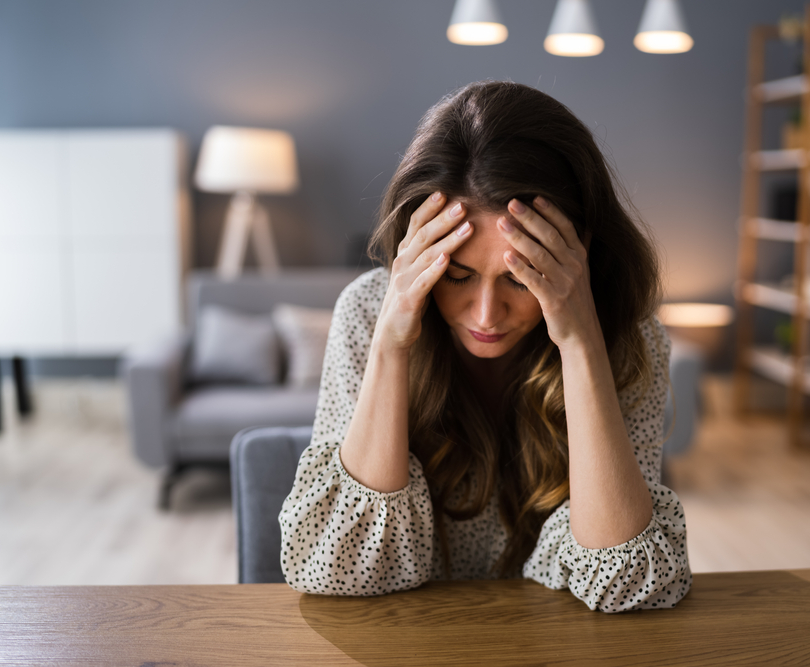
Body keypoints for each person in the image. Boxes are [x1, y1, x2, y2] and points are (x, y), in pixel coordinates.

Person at [279, 81, 691, 613]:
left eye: (522, 279)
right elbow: (336, 568)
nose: (485, 316)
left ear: (580, 255)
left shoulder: (628, 339)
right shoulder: (367, 312)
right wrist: (391, 346)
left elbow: (628, 584)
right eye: (458, 276)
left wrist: (581, 344)